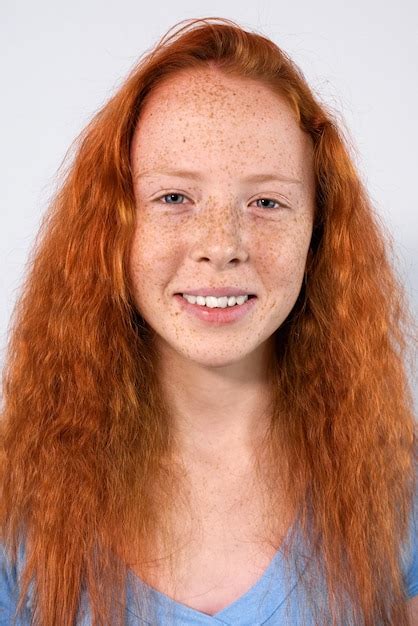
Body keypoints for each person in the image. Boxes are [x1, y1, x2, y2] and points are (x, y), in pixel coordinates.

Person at [0, 16, 417, 626]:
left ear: (319, 235)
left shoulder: (401, 494)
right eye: (174, 198)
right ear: (111, 229)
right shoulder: (16, 499)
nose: (221, 245)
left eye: (267, 202)